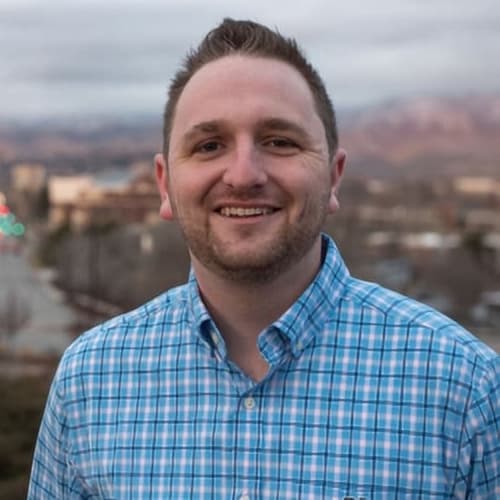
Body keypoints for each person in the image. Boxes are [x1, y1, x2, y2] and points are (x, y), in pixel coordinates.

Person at [29, 18, 499, 499]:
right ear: (165, 184)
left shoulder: (465, 389)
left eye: (279, 141)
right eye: (209, 145)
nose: (244, 174)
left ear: (334, 176)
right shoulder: (89, 381)